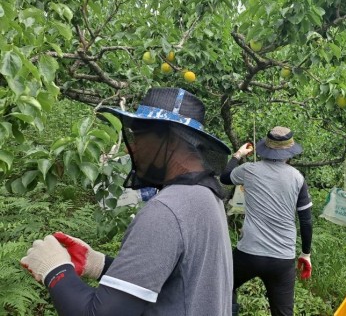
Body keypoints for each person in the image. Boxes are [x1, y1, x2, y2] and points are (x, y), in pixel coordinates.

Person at [20, 87, 233, 315]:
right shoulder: (205, 195)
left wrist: (55, 270)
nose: (132, 146)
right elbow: (178, 282)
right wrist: (100, 264)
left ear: (169, 139)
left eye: (139, 134)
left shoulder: (167, 210)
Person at [220, 126, 313, 316]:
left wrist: (238, 154)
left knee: (222, 286)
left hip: (249, 254)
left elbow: (224, 177)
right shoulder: (297, 178)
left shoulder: (249, 170)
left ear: (266, 148)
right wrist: (305, 253)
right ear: (289, 152)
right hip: (282, 258)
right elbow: (306, 220)